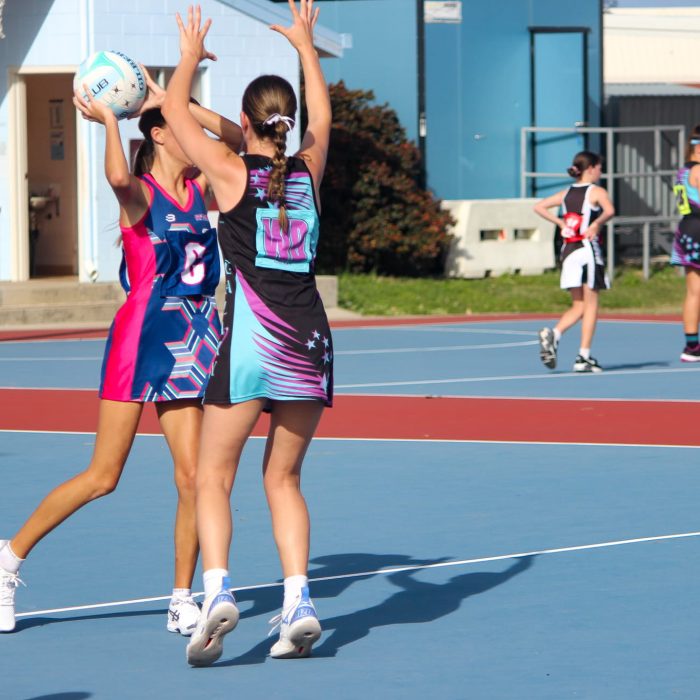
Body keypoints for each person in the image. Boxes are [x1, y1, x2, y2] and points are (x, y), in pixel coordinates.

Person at [0, 71, 242, 635]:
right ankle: (7, 558)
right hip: (142, 340)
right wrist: (112, 116)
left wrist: (177, 102)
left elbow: (236, 143)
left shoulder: (202, 190)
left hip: (194, 340)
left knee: (192, 478)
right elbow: (115, 173)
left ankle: (182, 597)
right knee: (104, 475)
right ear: (159, 137)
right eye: (179, 126)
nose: (193, 136)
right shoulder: (141, 197)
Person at [161, 0, 333, 665]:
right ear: (287, 123)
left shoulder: (232, 175)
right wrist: (306, 47)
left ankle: (218, 590)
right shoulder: (309, 175)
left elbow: (175, 117)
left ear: (248, 121)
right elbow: (323, 118)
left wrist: (186, 59)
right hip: (311, 340)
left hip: (256, 340)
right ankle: (298, 602)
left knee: (212, 474)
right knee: (284, 479)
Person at [533, 151, 615, 373]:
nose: (600, 171)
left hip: (568, 251)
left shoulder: (566, 193)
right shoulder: (596, 191)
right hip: (587, 250)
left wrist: (560, 222)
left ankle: (555, 334)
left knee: (578, 305)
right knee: (591, 304)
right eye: (599, 167)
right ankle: (583, 356)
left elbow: (539, 206)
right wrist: (596, 224)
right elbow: (610, 211)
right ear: (591, 169)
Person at [671, 126, 700, 361]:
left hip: (686, 230)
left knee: (693, 292)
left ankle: (692, 346)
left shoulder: (682, 172)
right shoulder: (699, 171)